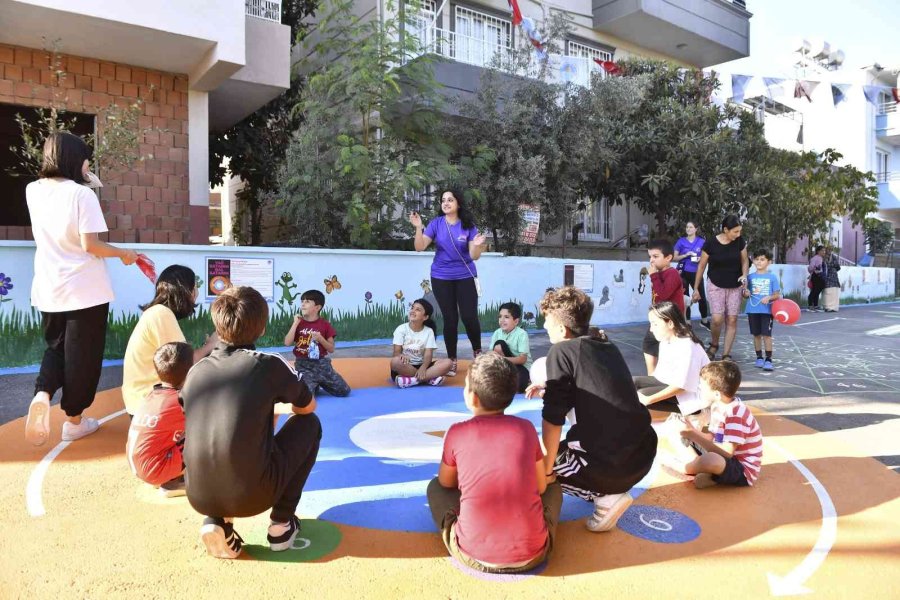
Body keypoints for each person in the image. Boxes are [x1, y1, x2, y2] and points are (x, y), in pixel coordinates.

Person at [182, 286, 321, 559]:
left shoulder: (196, 371)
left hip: (197, 493)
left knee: (218, 435)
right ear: (261, 328)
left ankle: (217, 520)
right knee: (310, 425)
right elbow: (307, 407)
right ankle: (282, 523)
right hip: (254, 494)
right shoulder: (268, 364)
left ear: (217, 325)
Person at [24, 132, 138, 446]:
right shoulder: (81, 195)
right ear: (75, 159)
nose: (90, 163)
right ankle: (74, 421)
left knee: (56, 349)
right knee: (83, 360)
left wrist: (84, 178)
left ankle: (42, 393)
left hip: (49, 288)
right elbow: (92, 245)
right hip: (86, 290)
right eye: (87, 158)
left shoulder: (33, 190)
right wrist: (125, 254)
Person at [525, 287, 657, 533]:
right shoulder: (606, 345)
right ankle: (606, 486)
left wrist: (547, 466)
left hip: (611, 466)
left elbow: (552, 419)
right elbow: (598, 384)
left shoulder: (560, 351)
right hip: (643, 453)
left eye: (547, 321)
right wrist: (549, 387)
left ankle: (605, 498)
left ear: (562, 329)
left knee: (531, 469)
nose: (544, 326)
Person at [427, 353, 562, 573]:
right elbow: (540, 487)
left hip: (472, 553)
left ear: (473, 398)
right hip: (534, 554)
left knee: (435, 488)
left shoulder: (457, 432)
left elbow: (445, 482)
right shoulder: (525, 429)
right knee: (553, 487)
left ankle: (471, 529)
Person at [409, 188, 487, 377]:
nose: (445, 203)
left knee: (469, 316)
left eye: (450, 200)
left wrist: (477, 245)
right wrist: (418, 227)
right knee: (450, 318)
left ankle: (478, 354)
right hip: (441, 276)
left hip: (465, 276)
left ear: (458, 203)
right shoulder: (436, 224)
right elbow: (419, 247)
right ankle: (452, 360)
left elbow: (474, 256)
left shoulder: (468, 226)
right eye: (443, 200)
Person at [122, 265, 217, 417]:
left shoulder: (156, 313)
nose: (197, 293)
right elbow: (183, 364)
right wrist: (211, 345)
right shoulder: (161, 314)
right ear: (186, 291)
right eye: (195, 288)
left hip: (143, 402)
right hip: (149, 404)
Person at [679, 361, 763, 489]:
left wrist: (694, 435)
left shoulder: (735, 414)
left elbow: (728, 453)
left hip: (741, 469)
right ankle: (702, 468)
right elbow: (713, 437)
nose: (699, 389)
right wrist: (691, 432)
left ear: (717, 394)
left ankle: (688, 468)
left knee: (712, 460)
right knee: (684, 436)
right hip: (722, 454)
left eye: (702, 386)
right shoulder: (717, 406)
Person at [126, 342, 192, 497]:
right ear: (190, 370)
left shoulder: (153, 395)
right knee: (207, 432)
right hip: (155, 469)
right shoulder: (179, 401)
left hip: (142, 466)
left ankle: (170, 474)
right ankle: (173, 482)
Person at [692, 214, 749, 362]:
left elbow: (745, 261)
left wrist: (744, 276)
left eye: (739, 231)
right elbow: (702, 266)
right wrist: (696, 288)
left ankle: (726, 354)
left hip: (735, 286)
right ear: (725, 229)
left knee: (732, 319)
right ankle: (714, 344)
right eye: (735, 231)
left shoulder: (740, 242)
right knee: (717, 319)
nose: (738, 234)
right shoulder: (710, 243)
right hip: (716, 284)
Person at [283, 289, 351, 397]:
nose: (303, 304)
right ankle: (313, 384)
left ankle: (319, 382)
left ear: (317, 307)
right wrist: (295, 323)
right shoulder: (298, 323)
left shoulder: (325, 325)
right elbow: (287, 342)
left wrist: (320, 339)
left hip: (322, 365)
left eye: (307, 301)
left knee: (344, 391)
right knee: (306, 396)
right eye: (302, 301)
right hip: (303, 366)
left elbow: (331, 349)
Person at [642, 239, 685, 375]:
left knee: (671, 350)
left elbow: (663, 296)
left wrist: (653, 276)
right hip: (658, 320)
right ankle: (652, 376)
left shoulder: (672, 274)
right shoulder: (659, 274)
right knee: (649, 345)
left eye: (655, 256)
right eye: (650, 257)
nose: (651, 261)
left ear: (668, 258)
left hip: (670, 321)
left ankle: (669, 377)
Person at [390, 298, 454, 388]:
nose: (413, 311)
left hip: (423, 365)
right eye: (412, 308)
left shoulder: (429, 332)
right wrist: (401, 355)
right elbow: (396, 352)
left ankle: (412, 380)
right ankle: (429, 378)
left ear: (425, 317)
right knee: (395, 362)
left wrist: (423, 368)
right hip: (406, 366)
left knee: (448, 363)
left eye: (418, 309)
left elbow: (428, 355)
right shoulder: (401, 329)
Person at [745, 250, 781, 371]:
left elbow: (777, 295)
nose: (759, 262)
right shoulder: (749, 277)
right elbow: (745, 294)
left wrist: (769, 297)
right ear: (753, 261)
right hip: (752, 310)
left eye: (762, 259)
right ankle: (759, 357)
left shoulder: (772, 277)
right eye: (757, 259)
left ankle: (768, 359)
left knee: (767, 335)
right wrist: (746, 292)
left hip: (767, 311)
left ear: (768, 262)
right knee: (756, 335)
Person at [489, 302, 532, 393]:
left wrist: (502, 359)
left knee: (519, 387)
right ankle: (504, 376)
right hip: (504, 365)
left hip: (521, 366)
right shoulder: (497, 333)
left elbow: (522, 359)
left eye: (506, 317)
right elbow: (491, 353)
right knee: (499, 344)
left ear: (516, 321)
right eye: (500, 316)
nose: (502, 320)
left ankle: (524, 379)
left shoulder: (521, 334)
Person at [673, 221, 710, 329]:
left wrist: (700, 259)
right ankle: (687, 322)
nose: (688, 229)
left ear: (696, 229)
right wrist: (685, 255)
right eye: (687, 227)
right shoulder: (681, 241)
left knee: (701, 296)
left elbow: (707, 256)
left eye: (691, 227)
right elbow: (674, 257)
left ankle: (704, 320)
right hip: (683, 272)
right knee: (685, 297)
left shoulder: (702, 241)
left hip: (696, 272)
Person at [806, 245, 826, 312]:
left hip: (819, 276)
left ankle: (815, 305)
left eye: (824, 250)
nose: (824, 252)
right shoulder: (815, 258)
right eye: (822, 250)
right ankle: (810, 306)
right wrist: (814, 269)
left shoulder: (820, 258)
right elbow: (810, 268)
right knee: (815, 291)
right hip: (816, 276)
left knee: (817, 291)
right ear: (818, 251)